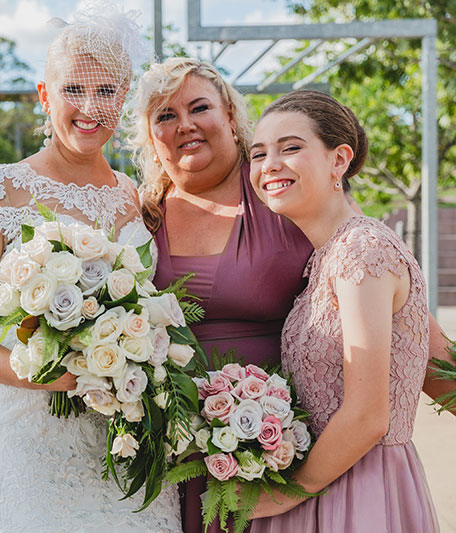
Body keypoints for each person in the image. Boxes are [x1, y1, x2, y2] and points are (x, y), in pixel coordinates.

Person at [128, 57, 453, 533]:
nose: (186, 125)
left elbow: (406, 329)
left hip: (292, 463)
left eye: (199, 107)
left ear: (231, 117)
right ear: (148, 136)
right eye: (165, 116)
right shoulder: (139, 215)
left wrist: (286, 490)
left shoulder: (294, 200)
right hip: (177, 454)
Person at [0, 4, 181, 531]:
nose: (90, 107)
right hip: (20, 438)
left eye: (106, 91)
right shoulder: (1, 188)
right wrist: (38, 373)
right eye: (73, 91)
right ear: (45, 95)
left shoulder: (134, 198)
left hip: (117, 435)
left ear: (124, 96)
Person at [245, 90, 438, 532]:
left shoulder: (361, 249)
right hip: (324, 481)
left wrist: (283, 495)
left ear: (339, 160)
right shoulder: (327, 256)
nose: (270, 164)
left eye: (290, 147)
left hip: (361, 491)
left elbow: (369, 415)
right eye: (259, 154)